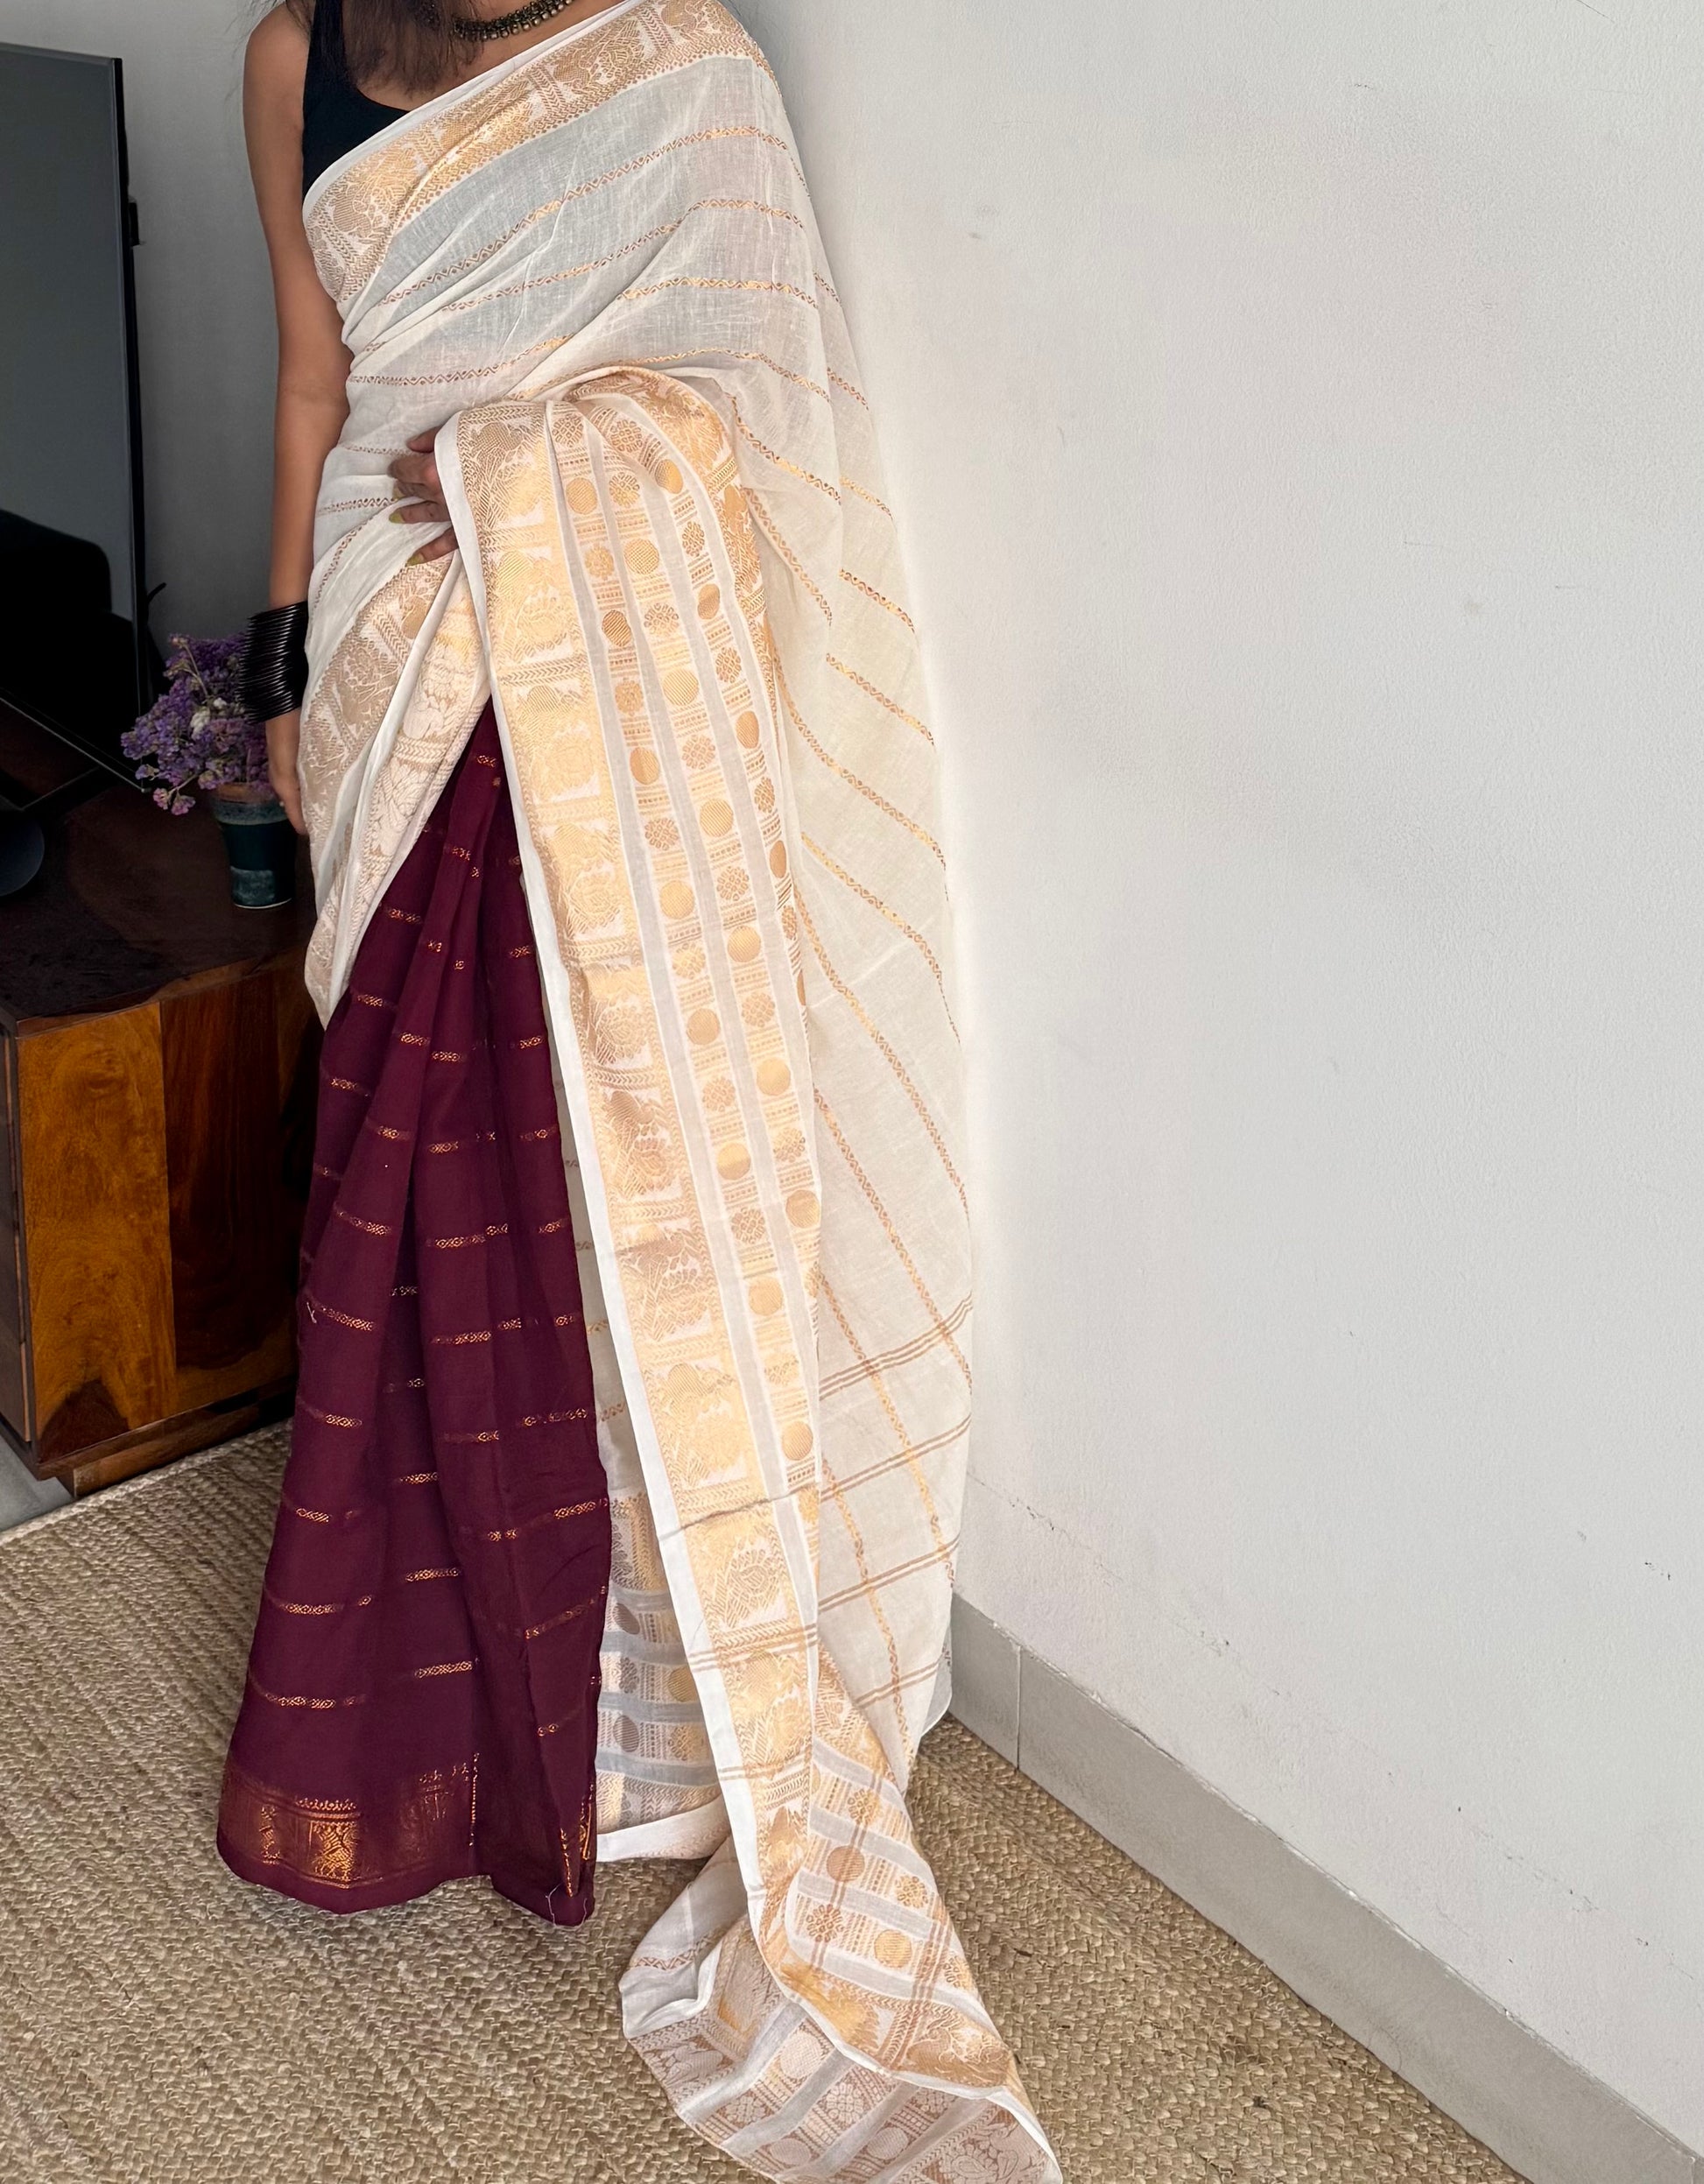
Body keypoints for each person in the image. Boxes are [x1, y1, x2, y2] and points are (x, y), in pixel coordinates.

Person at [222, 4, 1060, 2177]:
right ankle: (450, 1690)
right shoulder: (294, 51)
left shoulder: (678, 63)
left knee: (604, 1213)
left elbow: (760, 408)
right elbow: (317, 378)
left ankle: (649, 1715)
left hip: (603, 689)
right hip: (407, 662)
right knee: (415, 1202)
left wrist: (530, 480)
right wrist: (284, 656)